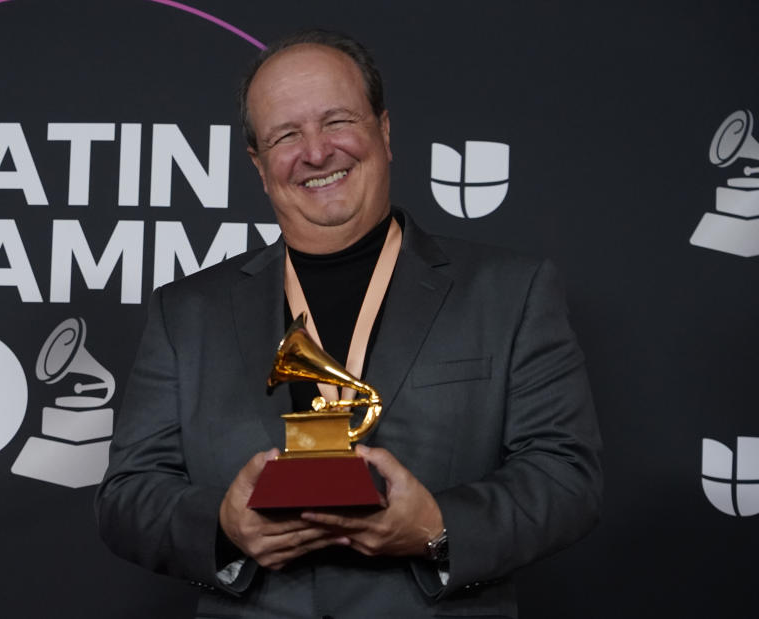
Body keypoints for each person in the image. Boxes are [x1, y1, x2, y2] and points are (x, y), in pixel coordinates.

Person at [96, 29, 602, 618]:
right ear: (259, 165)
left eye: (337, 121)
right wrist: (223, 525)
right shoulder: (184, 313)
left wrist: (439, 528)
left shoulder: (509, 291)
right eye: (286, 135)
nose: (315, 152)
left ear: (384, 133)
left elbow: (568, 479)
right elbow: (127, 497)